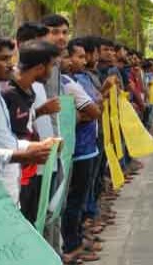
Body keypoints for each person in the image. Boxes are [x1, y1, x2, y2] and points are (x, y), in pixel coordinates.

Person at [0, 37, 54, 206]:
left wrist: (33, 147)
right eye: (3, 59)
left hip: (11, 187)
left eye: (11, 58)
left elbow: (5, 140)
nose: (11, 65)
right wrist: (23, 155)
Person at [2, 40, 60, 223]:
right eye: (52, 65)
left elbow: (24, 121)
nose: (52, 72)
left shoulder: (30, 91)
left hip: (29, 169)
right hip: (13, 174)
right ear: (41, 67)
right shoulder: (7, 93)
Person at [58, 46, 102, 263]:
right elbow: (93, 110)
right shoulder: (65, 84)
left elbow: (96, 106)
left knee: (79, 197)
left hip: (86, 147)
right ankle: (71, 245)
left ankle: (76, 238)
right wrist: (73, 116)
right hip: (74, 151)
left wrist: (74, 116)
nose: (81, 62)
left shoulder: (73, 81)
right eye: (77, 57)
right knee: (71, 201)